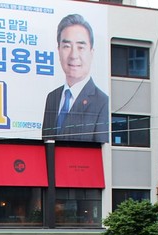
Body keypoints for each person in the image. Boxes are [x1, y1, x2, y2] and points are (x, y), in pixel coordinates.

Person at [40, 14, 109, 143]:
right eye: (67, 46)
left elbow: (101, 150)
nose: (73, 55)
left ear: (91, 52)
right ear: (58, 50)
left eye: (80, 47)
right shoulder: (52, 97)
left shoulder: (102, 102)